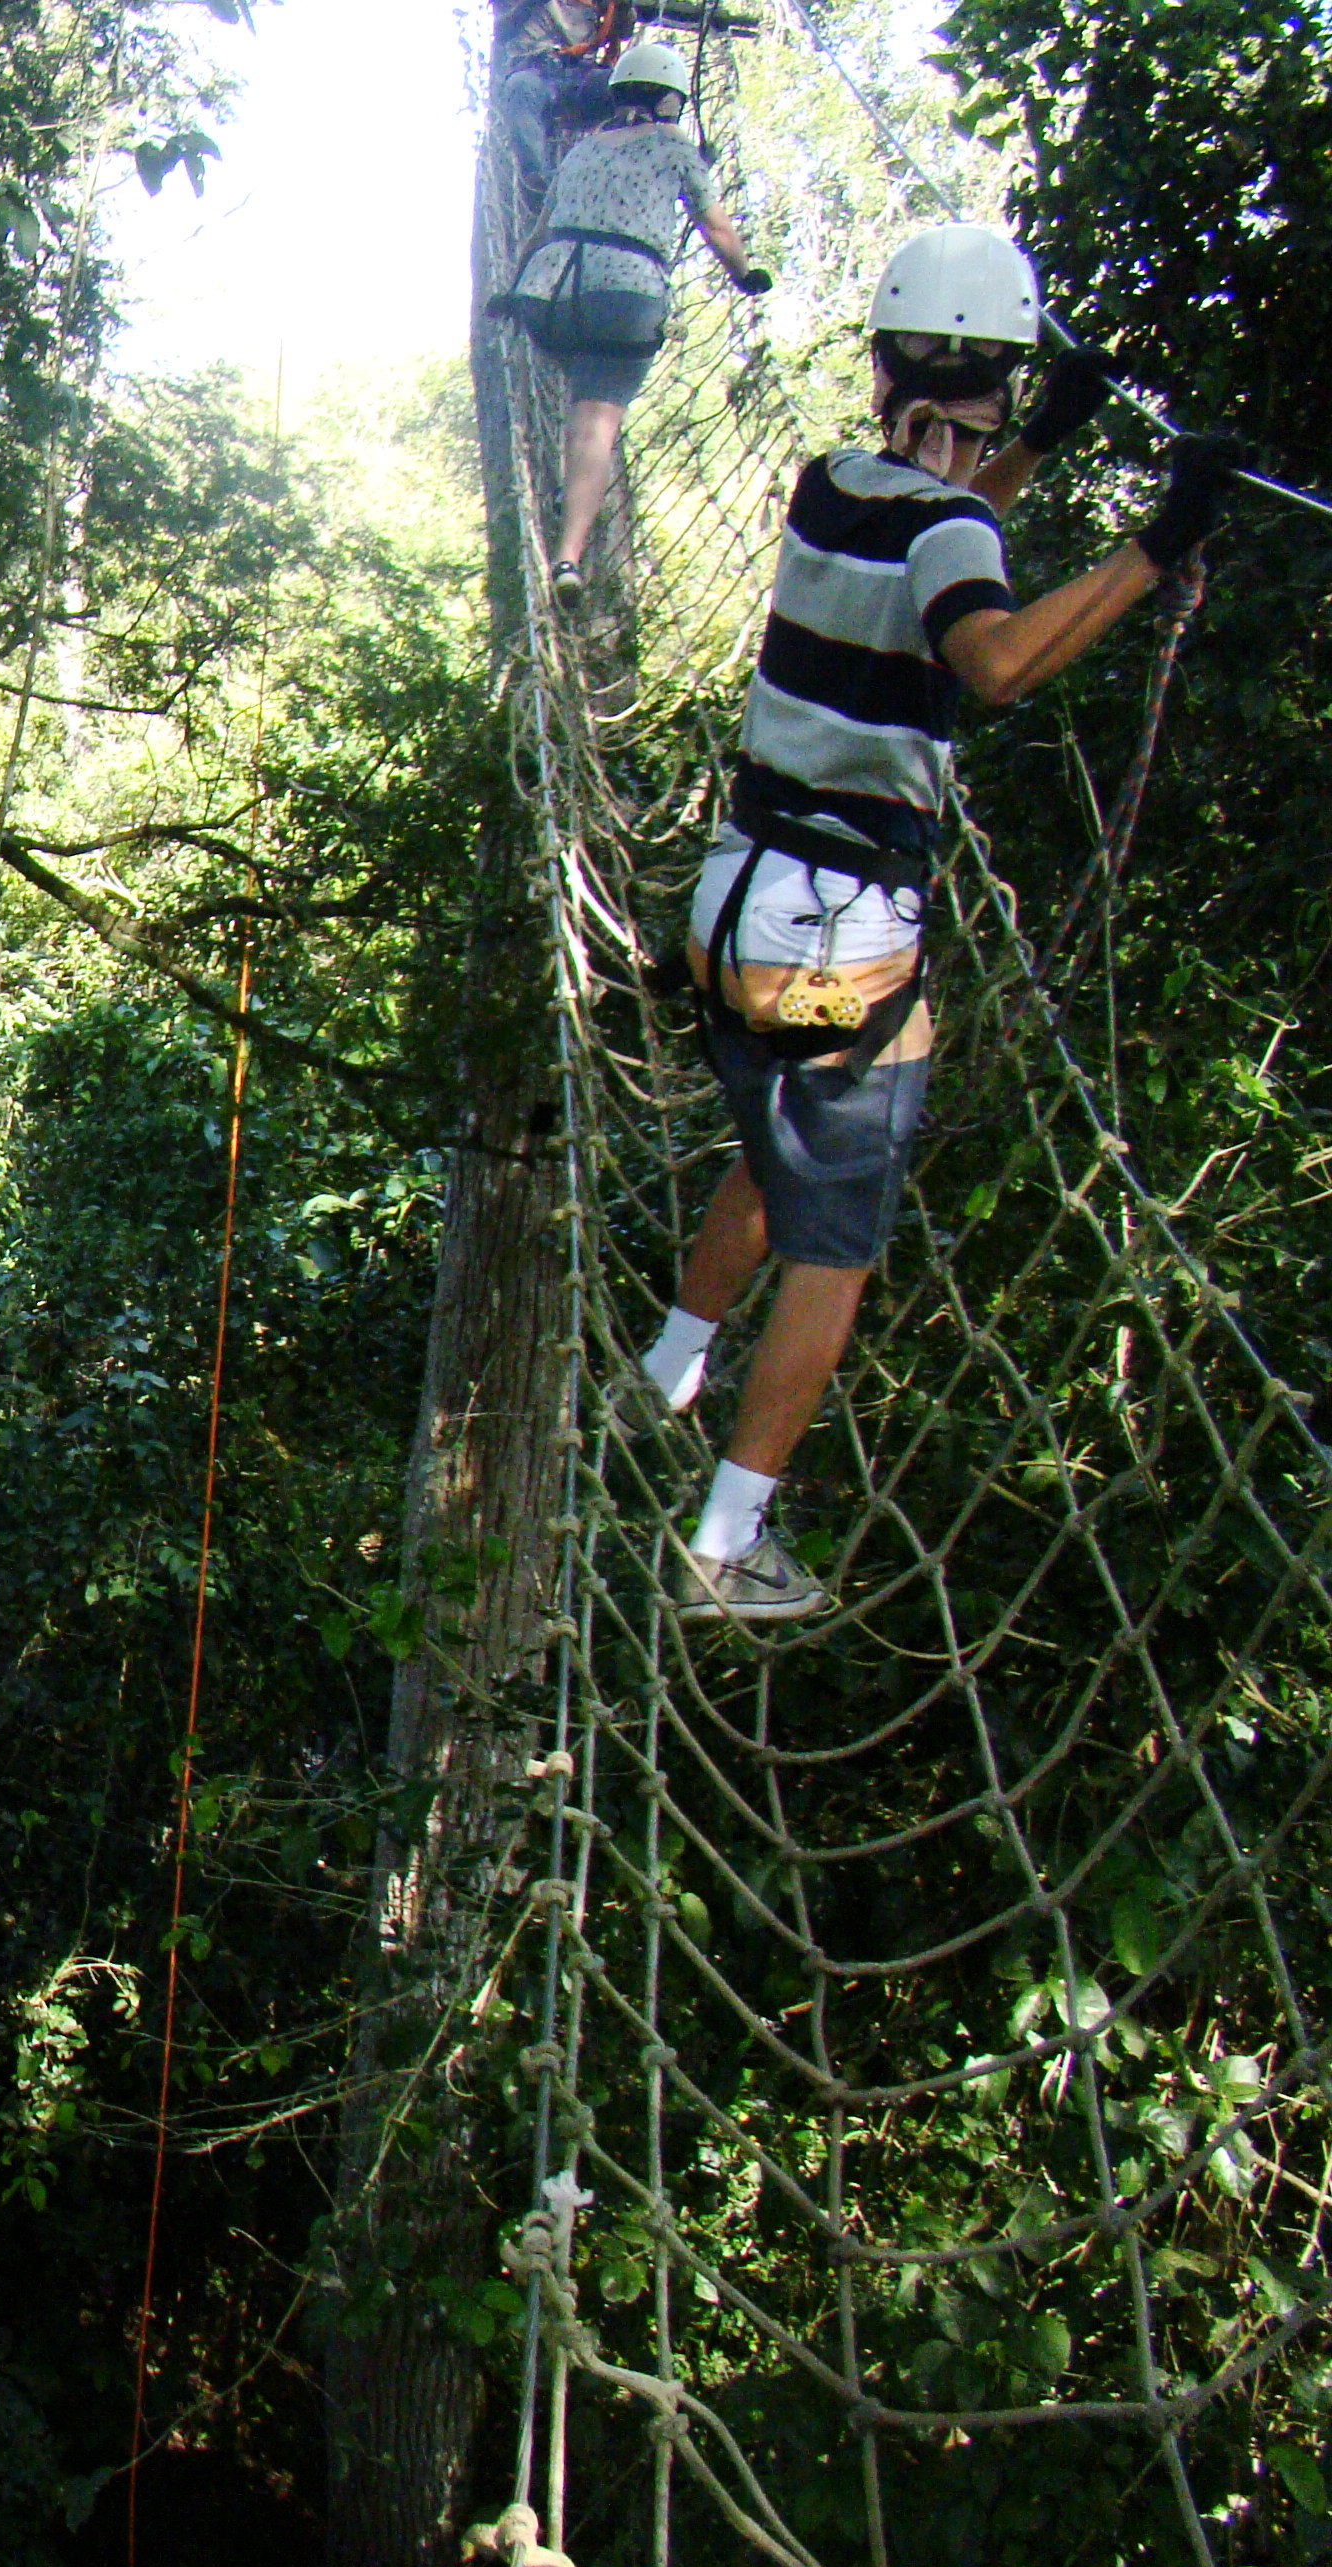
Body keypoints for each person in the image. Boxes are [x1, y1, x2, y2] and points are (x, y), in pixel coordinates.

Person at [627, 221, 1251, 1622]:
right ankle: (725, 1547)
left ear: (887, 361)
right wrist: (1155, 546)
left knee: (780, 1126)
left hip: (735, 916)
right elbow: (997, 652)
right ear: (1004, 379)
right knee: (838, 1235)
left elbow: (941, 528)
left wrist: (1046, 449)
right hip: (827, 949)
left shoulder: (836, 488)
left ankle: (665, 1367)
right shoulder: (953, 531)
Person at [501, 38, 767, 608]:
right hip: (622, 298)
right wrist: (747, 273)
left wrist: (511, 290)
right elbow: (716, 228)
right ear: (672, 100)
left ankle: (570, 486)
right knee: (597, 422)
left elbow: (541, 229)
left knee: (581, 403)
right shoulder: (675, 145)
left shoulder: (580, 151)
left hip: (547, 297)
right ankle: (568, 555)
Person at [496, 0, 633, 197]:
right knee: (520, 88)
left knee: (620, 84)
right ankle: (536, 175)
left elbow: (624, 29)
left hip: (579, 75)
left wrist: (623, 8)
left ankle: (620, 169)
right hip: (533, 70)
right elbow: (502, 31)